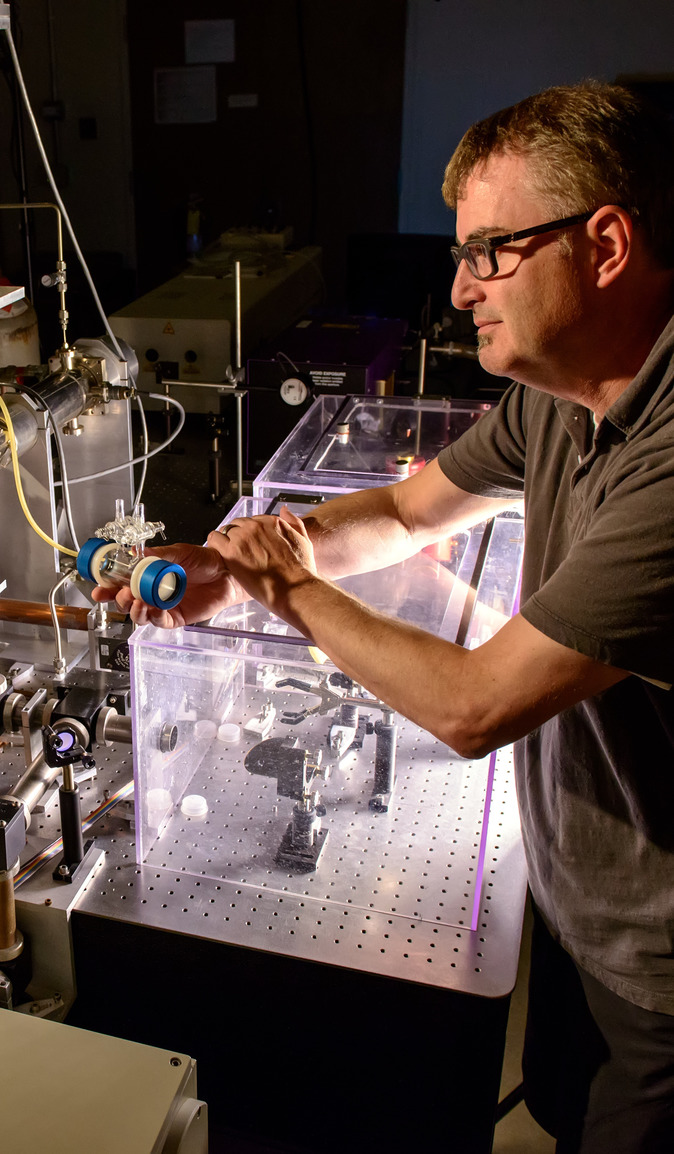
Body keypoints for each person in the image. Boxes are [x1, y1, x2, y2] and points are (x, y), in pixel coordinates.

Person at [102, 82, 674, 1152]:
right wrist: (237, 561)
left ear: (603, 245)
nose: (459, 290)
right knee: (558, 1114)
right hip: (582, 906)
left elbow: (473, 704)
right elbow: (410, 511)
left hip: (662, 966)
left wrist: (291, 588)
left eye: (489, 252)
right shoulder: (562, 391)